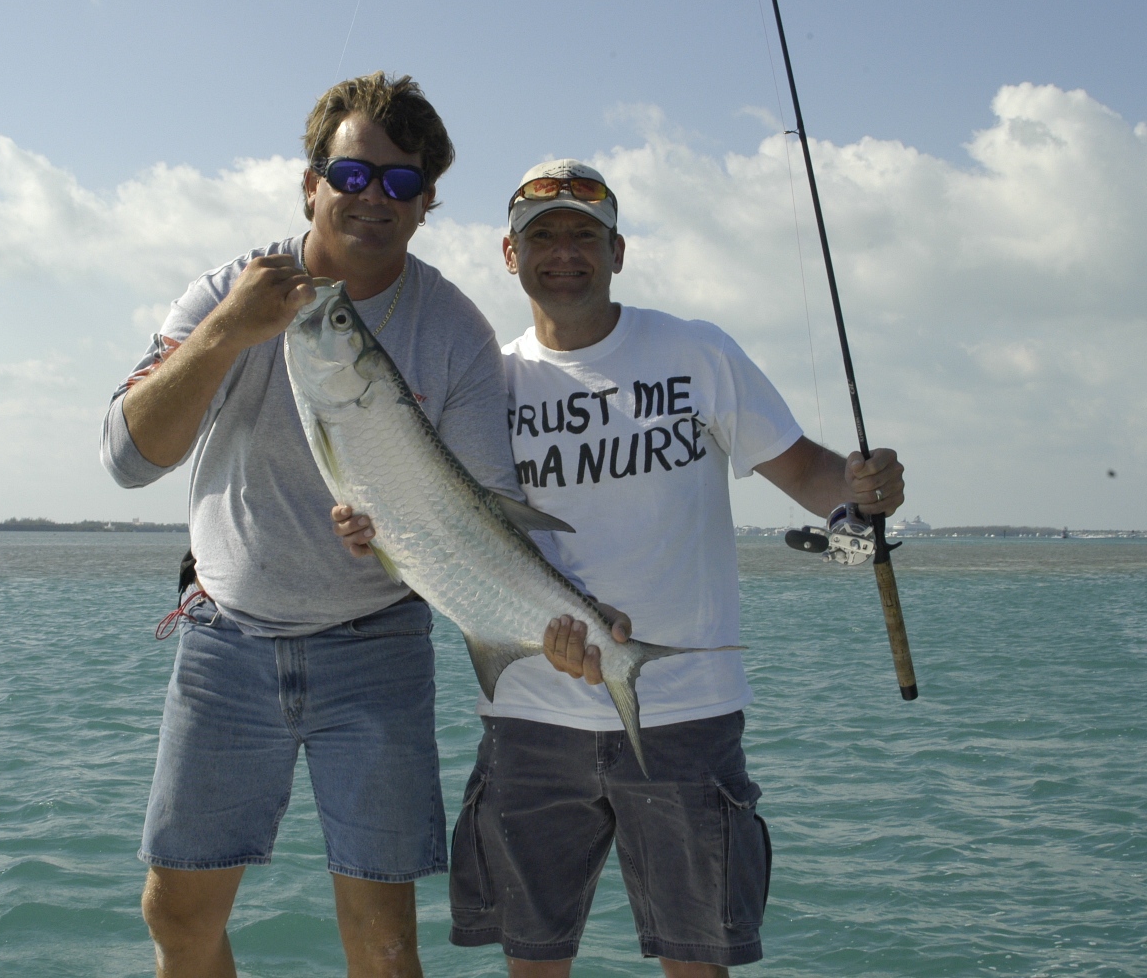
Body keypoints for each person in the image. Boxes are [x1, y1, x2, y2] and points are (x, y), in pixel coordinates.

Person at [336, 159, 906, 977]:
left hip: (687, 711)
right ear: (510, 254)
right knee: (533, 962)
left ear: (619, 251)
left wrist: (861, 489)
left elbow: (809, 473)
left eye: (584, 235)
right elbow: (436, 525)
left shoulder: (697, 351)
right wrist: (372, 530)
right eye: (543, 237)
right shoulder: (485, 378)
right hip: (529, 714)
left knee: (697, 963)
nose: (564, 253)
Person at [101, 72, 527, 978]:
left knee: (384, 939)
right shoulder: (229, 290)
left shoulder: (456, 331)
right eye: (353, 175)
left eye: (403, 183)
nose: (375, 198)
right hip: (225, 640)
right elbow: (128, 459)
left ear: (426, 205)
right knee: (176, 914)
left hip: (376, 646)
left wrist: (410, 541)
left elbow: (485, 511)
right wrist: (227, 332)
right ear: (310, 184)